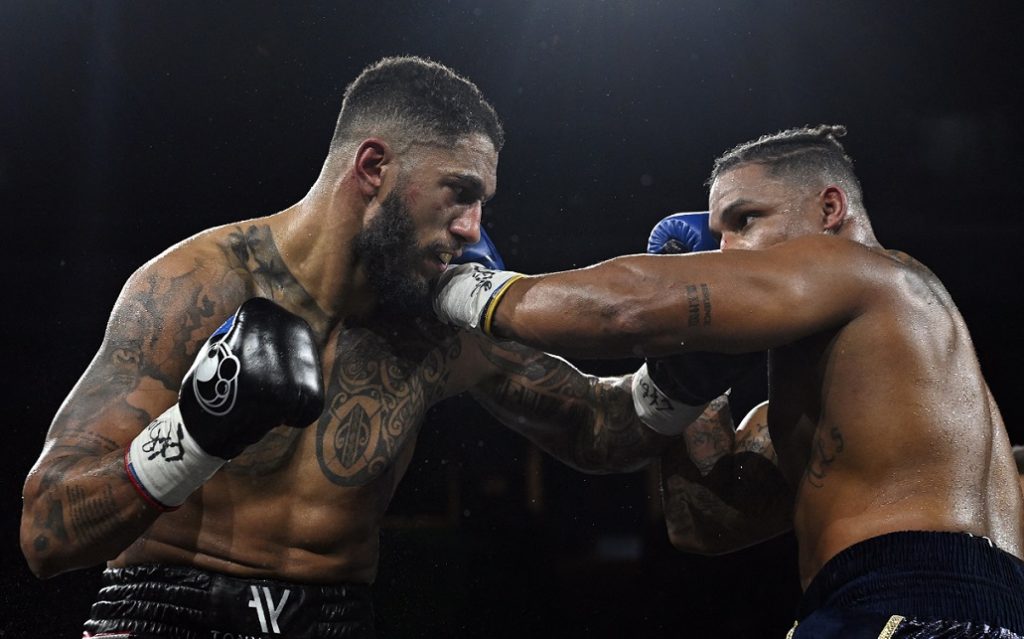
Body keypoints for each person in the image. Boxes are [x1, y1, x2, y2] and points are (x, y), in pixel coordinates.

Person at [18, 56, 690, 638]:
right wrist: (195, 432)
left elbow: (601, 425)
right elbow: (47, 531)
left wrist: (687, 368)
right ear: (373, 166)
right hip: (164, 607)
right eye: (460, 193)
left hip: (333, 616)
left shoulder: (439, 323)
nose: (473, 228)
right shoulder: (198, 285)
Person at [434, 124, 1024, 637]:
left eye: (745, 221)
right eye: (719, 234)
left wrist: (470, 288)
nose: (724, 251)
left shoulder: (868, 271)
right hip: (923, 604)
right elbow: (702, 523)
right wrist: (689, 378)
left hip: (909, 599)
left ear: (830, 210)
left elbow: (627, 308)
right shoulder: (849, 397)